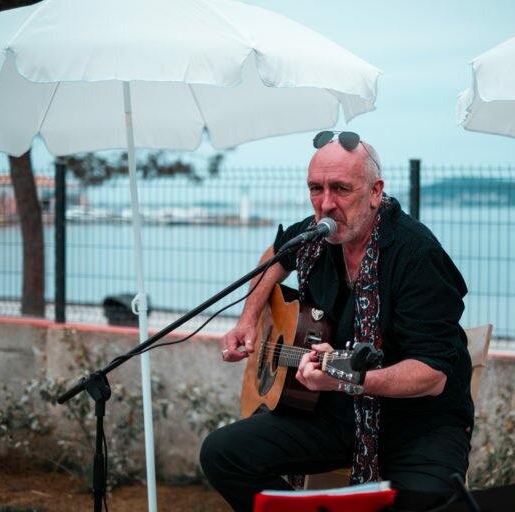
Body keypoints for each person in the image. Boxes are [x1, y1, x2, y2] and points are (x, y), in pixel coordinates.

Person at [200, 131, 473, 511]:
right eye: (316, 188)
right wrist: (248, 319)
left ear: (376, 191)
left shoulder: (417, 255)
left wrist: (351, 380)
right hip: (334, 414)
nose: (326, 204)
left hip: (418, 424)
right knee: (222, 454)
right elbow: (275, 258)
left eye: (341, 189)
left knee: (425, 503)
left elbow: (431, 375)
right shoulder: (315, 238)